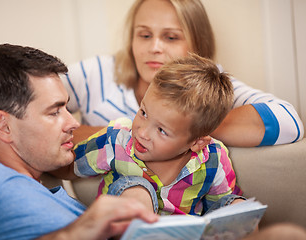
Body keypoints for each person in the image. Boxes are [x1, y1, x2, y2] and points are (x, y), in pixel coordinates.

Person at [0, 44, 158, 240]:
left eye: (66, 108)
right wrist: (73, 234)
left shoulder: (56, 197)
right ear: (4, 126)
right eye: (54, 112)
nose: (73, 123)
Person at [63, 0, 304, 147]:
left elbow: (288, 122)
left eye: (171, 37)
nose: (154, 47)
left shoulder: (212, 85)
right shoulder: (99, 72)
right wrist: (134, 134)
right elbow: (32, 103)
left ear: (197, 46)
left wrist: (186, 128)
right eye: (144, 35)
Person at [66, 54, 245, 216]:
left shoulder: (213, 158)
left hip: (181, 235)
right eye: (143, 112)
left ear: (197, 142)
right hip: (122, 230)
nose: (142, 132)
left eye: (161, 130)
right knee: (138, 191)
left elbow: (218, 208)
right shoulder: (118, 139)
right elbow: (69, 164)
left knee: (236, 207)